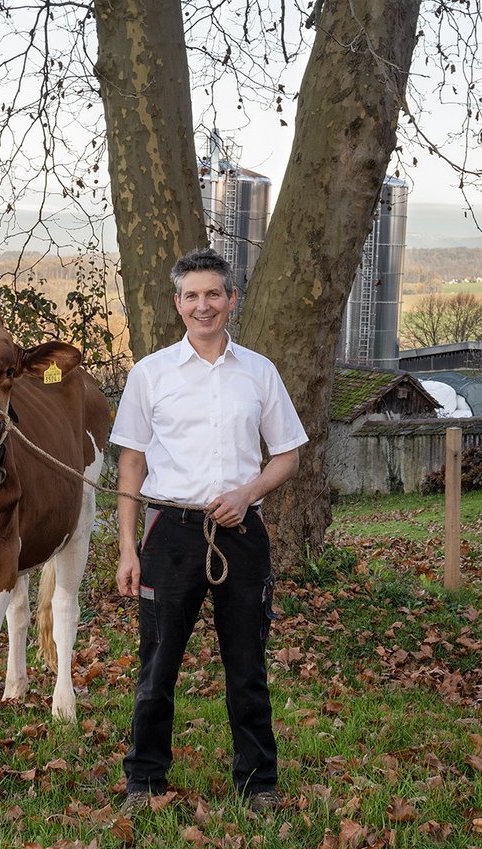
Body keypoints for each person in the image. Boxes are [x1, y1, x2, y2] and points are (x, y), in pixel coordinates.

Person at [113, 247, 307, 815]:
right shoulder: (150, 375)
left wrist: (248, 494)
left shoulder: (258, 372)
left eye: (214, 295)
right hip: (170, 535)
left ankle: (258, 784)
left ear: (231, 300)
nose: (204, 306)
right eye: (192, 296)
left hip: (242, 535)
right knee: (157, 664)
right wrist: (128, 547)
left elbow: (288, 454)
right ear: (178, 304)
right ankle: (145, 781)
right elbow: (130, 464)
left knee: (247, 665)